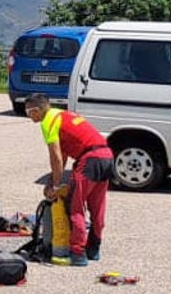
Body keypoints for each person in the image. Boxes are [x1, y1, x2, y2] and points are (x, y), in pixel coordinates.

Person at [24, 93, 112, 266]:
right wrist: (52, 181)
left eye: (28, 113)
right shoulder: (62, 115)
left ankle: (78, 253)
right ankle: (94, 249)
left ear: (36, 110)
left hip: (90, 159)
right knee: (97, 206)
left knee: (75, 207)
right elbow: (63, 157)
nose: (29, 117)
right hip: (107, 156)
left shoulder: (47, 121)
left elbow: (55, 156)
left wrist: (56, 186)